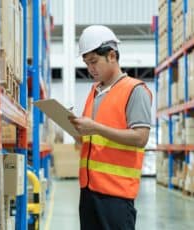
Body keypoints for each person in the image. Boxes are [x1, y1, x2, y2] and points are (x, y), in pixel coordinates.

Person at [70, 25, 152, 230]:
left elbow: (141, 137)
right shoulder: (94, 91)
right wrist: (79, 134)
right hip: (88, 191)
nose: (90, 69)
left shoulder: (134, 90)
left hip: (116, 195)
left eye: (94, 62)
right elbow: (93, 135)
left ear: (112, 56)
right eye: (86, 63)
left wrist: (96, 128)